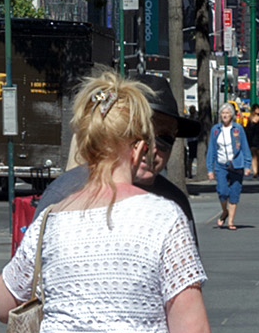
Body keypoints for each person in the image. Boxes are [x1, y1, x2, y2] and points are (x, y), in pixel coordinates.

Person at [0, 74, 211, 333]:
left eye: (168, 139)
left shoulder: (56, 210)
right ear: (137, 144)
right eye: (155, 136)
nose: (158, 150)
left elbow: (1, 302)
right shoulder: (165, 215)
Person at [36, 74, 197, 230]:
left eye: (165, 138)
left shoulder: (175, 204)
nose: (151, 148)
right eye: (139, 133)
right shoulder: (62, 194)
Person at [206, 101, 251, 228]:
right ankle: (224, 211)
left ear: (232, 115)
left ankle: (231, 220)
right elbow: (211, 150)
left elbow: (245, 147)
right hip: (221, 164)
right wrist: (210, 169)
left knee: (235, 192)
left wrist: (247, 165)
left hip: (236, 163)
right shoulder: (216, 130)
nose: (225, 115)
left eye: (227, 113)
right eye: (222, 113)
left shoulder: (238, 129)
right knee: (222, 191)